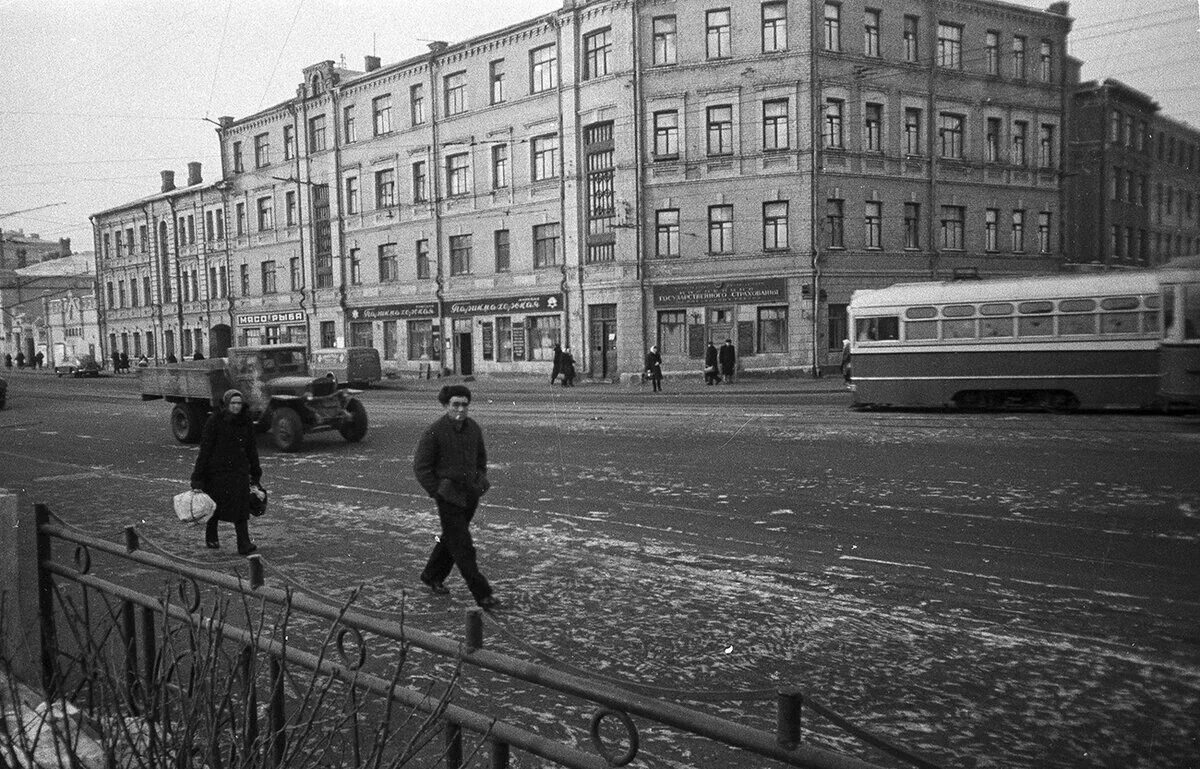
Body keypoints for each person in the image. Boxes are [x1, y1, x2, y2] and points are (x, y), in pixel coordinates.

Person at [413, 384, 499, 610]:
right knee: (463, 546)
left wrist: (480, 481)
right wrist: (438, 490)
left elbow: (481, 460)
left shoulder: (473, 429)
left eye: (464, 405)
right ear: (446, 406)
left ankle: (432, 575)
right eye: (455, 405)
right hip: (448, 497)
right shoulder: (435, 431)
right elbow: (421, 468)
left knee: (452, 538)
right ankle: (483, 594)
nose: (460, 409)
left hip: (469, 495)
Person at [191, 389, 263, 555]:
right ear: (226, 404)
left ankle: (243, 543)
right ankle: (211, 535)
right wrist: (198, 478)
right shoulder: (215, 421)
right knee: (215, 506)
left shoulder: (246, 421)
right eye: (233, 403)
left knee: (241, 508)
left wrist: (255, 471)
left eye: (239, 403)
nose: (236, 407)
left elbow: (251, 448)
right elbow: (205, 450)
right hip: (217, 473)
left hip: (238, 472)